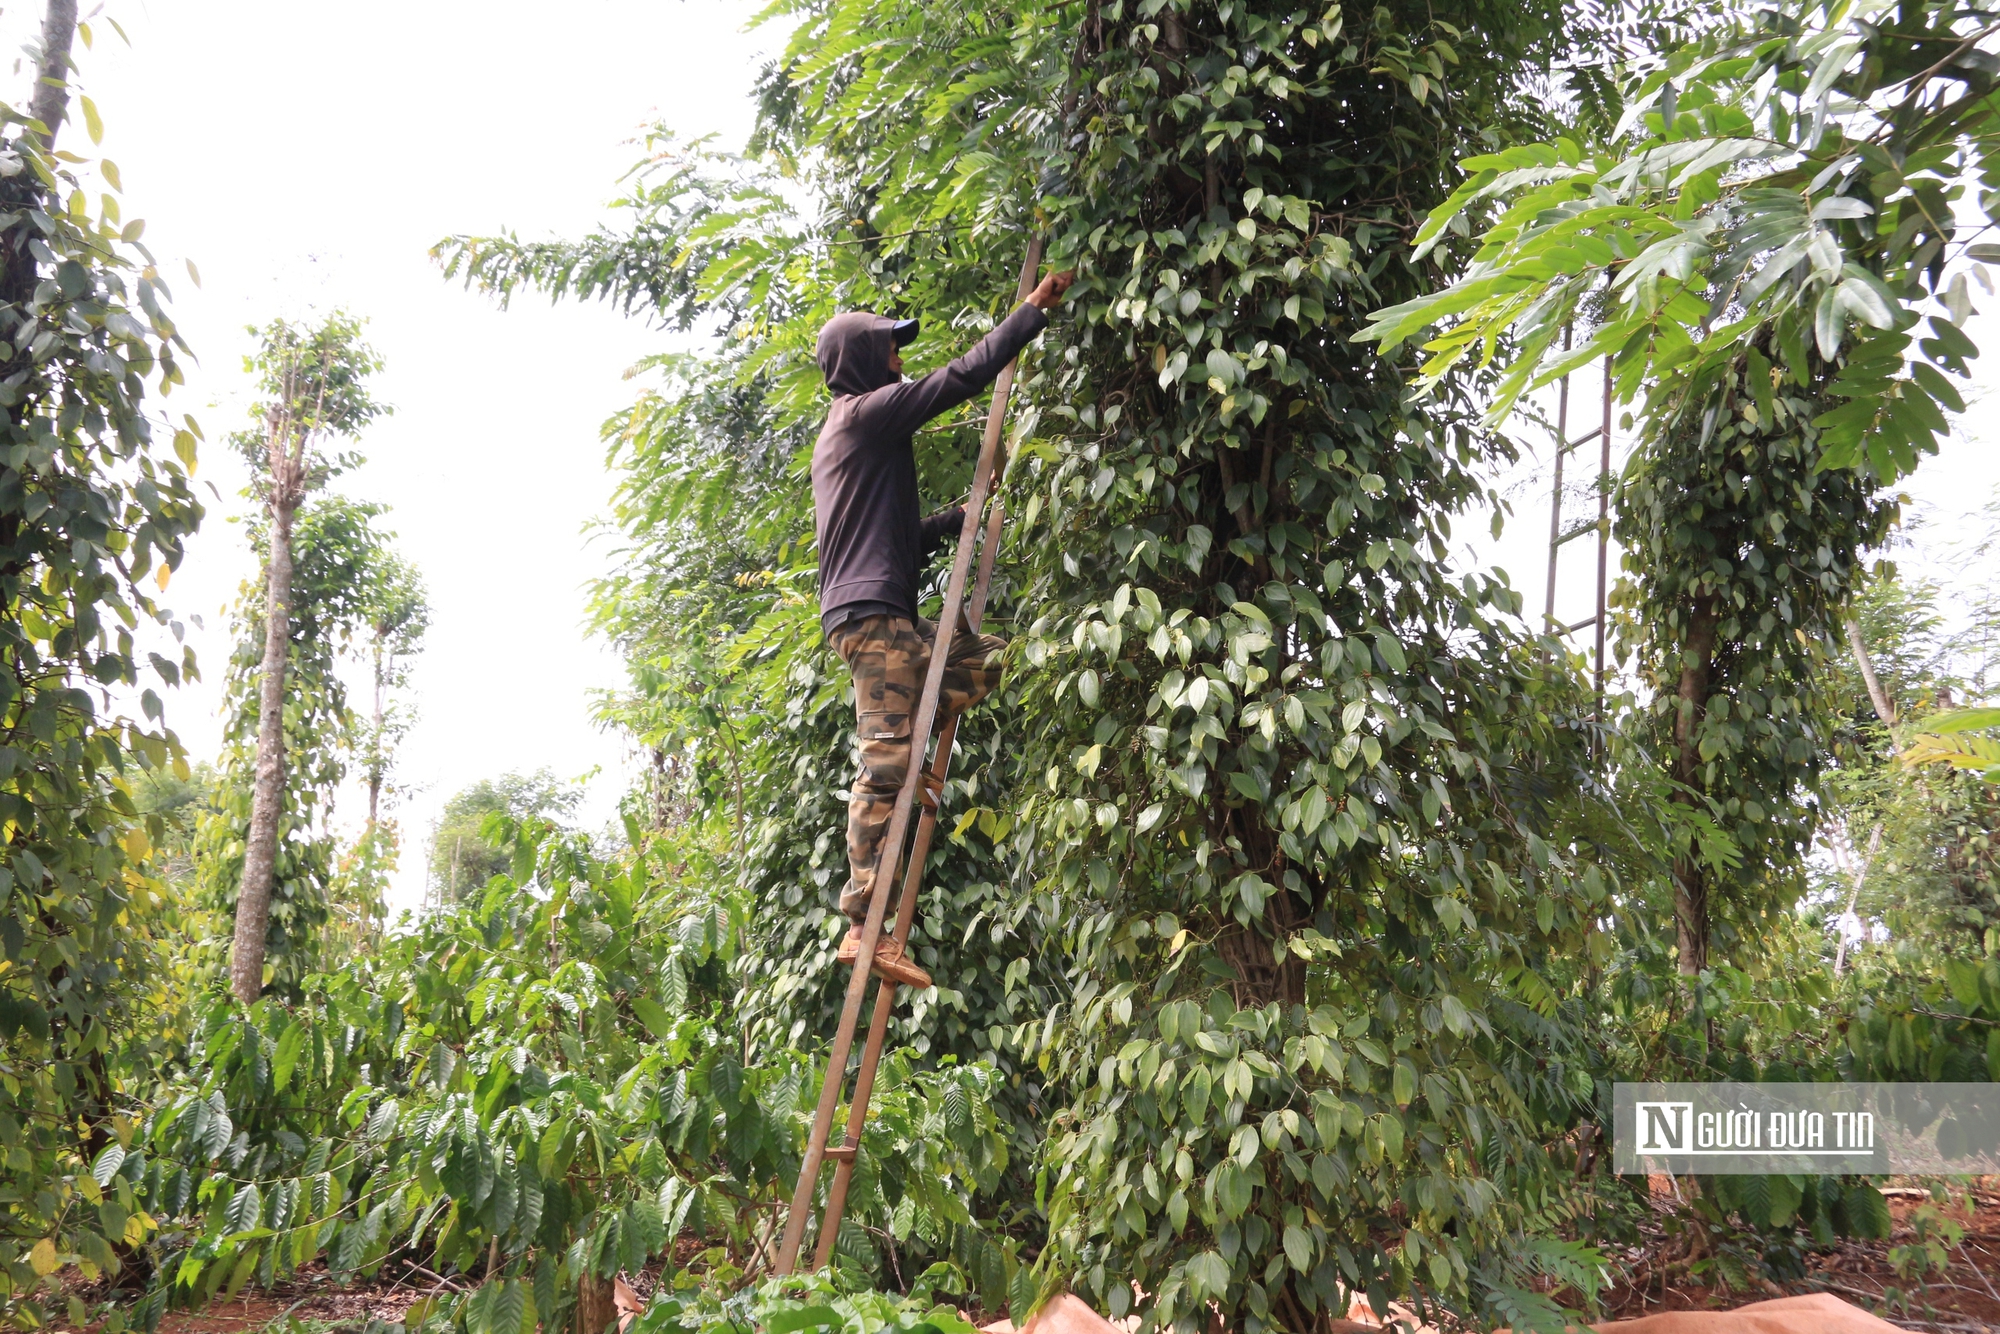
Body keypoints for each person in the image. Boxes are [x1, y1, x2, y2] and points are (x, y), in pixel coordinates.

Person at [812, 267, 1075, 988]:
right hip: (874, 623)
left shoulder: (856, 436)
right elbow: (955, 380)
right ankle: (863, 926)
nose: (899, 359)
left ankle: (914, 756)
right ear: (863, 361)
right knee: (884, 766)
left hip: (879, 613)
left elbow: (890, 535)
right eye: (889, 348)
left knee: (981, 663)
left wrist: (956, 521)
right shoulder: (862, 414)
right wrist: (1028, 316)